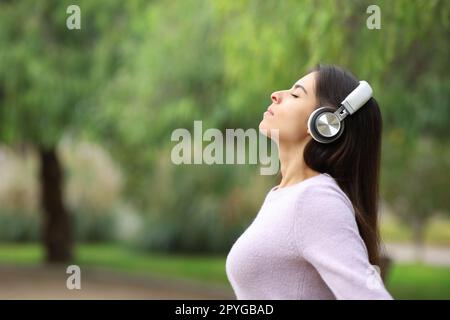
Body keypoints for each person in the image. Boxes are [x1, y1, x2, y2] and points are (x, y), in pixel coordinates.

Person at [226, 64, 393, 300]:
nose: (276, 95)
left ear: (326, 123)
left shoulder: (315, 199)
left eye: (295, 94)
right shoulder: (285, 195)